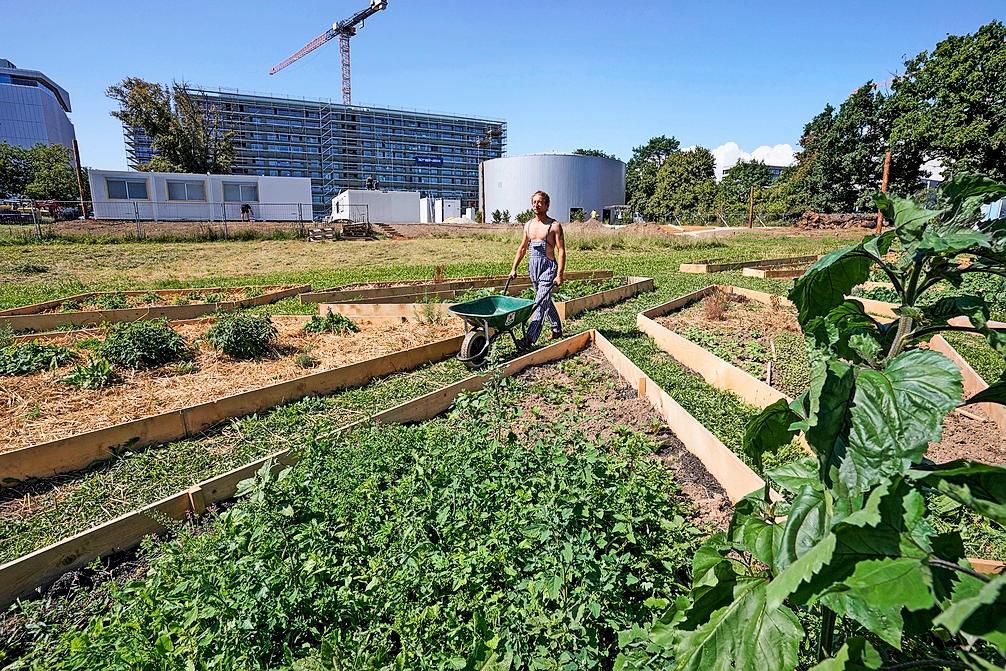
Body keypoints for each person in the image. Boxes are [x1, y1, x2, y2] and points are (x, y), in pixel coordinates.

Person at [509, 190, 566, 348]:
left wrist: (559, 274)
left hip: (548, 268)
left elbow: (561, 251)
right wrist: (514, 268)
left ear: (547, 205)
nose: (536, 205)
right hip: (533, 268)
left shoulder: (554, 226)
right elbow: (522, 249)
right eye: (534, 202)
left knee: (539, 303)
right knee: (544, 299)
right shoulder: (528, 225)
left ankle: (529, 338)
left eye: (540, 202)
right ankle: (556, 328)